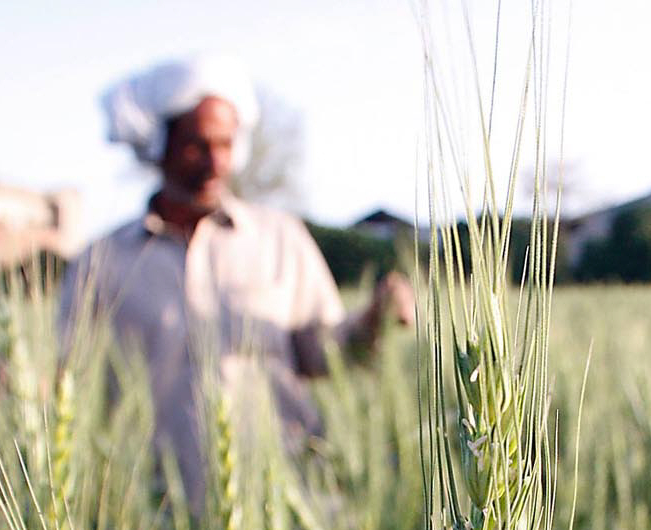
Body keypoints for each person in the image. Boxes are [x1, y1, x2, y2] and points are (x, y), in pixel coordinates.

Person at [59, 55, 414, 505]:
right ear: (158, 144)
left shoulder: (281, 238)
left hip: (291, 498)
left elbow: (325, 356)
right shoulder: (103, 261)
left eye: (226, 145)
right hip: (157, 510)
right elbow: (68, 377)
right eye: (196, 144)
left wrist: (371, 321)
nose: (215, 162)